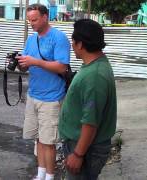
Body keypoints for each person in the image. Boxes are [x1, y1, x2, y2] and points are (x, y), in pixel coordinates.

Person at [17, 3, 70, 180]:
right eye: (29, 20)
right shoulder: (31, 39)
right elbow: (27, 65)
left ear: (45, 17)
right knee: (38, 138)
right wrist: (20, 64)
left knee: (49, 141)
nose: (31, 23)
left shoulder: (59, 38)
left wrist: (35, 62)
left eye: (35, 19)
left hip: (52, 97)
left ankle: (50, 176)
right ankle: (40, 174)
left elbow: (62, 67)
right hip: (33, 95)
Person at [58, 19, 117, 179]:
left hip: (85, 149)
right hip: (83, 146)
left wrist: (78, 154)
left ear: (80, 44)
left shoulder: (94, 76)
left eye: (73, 42)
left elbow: (91, 121)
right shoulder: (95, 65)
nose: (71, 46)